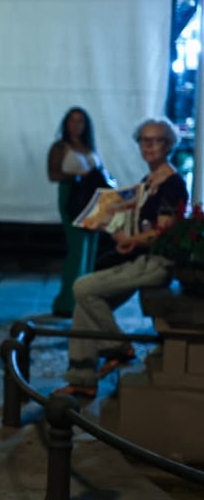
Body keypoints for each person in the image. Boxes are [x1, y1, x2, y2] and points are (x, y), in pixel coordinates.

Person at [55, 117, 188, 398]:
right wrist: (111, 227)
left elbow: (164, 232)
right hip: (136, 259)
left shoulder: (173, 183)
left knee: (82, 287)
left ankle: (119, 347)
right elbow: (138, 226)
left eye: (156, 141)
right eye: (144, 141)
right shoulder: (147, 181)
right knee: (84, 305)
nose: (149, 147)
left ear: (169, 146)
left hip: (156, 263)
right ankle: (82, 378)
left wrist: (133, 240)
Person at [46, 107, 103, 317]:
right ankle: (66, 301)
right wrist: (80, 175)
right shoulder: (60, 147)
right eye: (72, 121)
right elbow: (53, 174)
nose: (76, 125)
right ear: (66, 123)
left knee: (91, 249)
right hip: (73, 196)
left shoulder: (89, 147)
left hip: (93, 197)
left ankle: (84, 298)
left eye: (80, 121)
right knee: (77, 248)